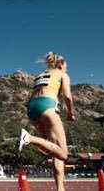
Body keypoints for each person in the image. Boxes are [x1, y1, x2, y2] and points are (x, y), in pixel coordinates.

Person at [17, 52, 75, 191]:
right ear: (61, 65)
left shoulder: (41, 75)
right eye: (66, 66)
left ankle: (60, 188)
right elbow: (67, 96)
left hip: (32, 108)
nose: (67, 69)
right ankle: (28, 138)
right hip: (47, 106)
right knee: (63, 153)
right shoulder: (62, 74)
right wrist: (70, 113)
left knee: (54, 149)